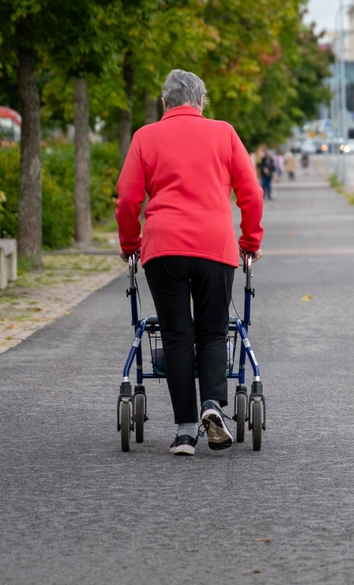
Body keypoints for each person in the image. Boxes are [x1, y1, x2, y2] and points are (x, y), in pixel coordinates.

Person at [116, 69, 264, 456]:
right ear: (202, 101)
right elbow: (251, 192)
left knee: (177, 334)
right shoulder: (224, 133)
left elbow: (128, 199)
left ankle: (184, 433)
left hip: (163, 249)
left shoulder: (145, 137)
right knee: (214, 332)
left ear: (165, 102)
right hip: (215, 247)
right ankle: (212, 405)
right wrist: (250, 241)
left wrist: (130, 243)